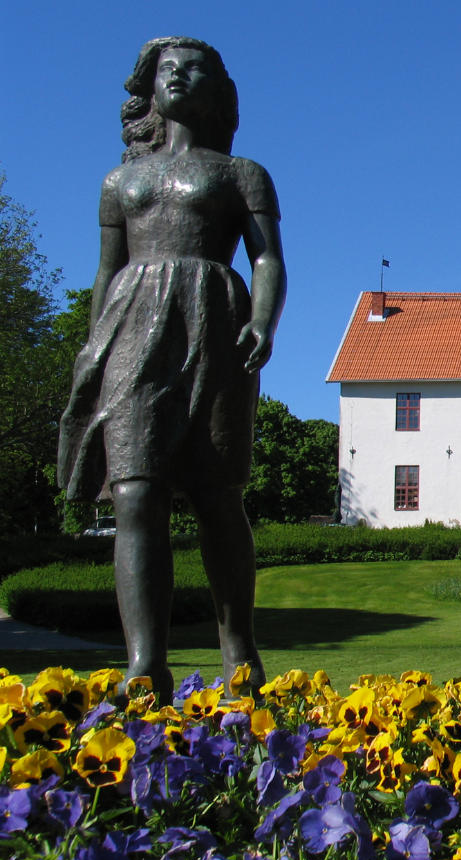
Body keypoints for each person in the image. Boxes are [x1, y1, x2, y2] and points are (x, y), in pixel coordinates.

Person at [58, 36, 285, 700]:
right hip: (133, 326)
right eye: (168, 70)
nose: (181, 77)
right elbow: (107, 272)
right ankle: (144, 665)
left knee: (219, 495)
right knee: (134, 493)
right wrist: (93, 352)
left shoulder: (242, 173)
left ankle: (239, 654)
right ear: (149, 90)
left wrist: (263, 322)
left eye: (196, 70)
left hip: (216, 321)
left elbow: (267, 259)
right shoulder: (121, 182)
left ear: (217, 91)